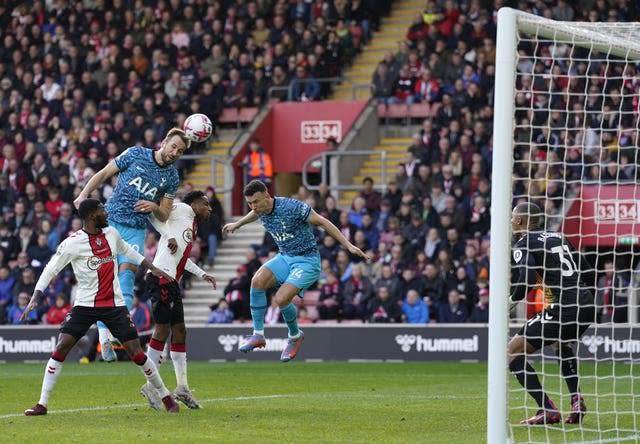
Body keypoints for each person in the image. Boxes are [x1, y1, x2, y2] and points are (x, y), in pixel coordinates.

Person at [21, 199, 180, 415]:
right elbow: (50, 269)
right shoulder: (72, 243)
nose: (105, 212)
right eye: (101, 209)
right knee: (61, 346)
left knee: (136, 352)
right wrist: (35, 296)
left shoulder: (112, 233)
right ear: (91, 215)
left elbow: (130, 252)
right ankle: (42, 404)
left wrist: (153, 267)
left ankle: (166, 397)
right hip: (85, 305)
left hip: (114, 305)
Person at [73, 127, 190, 362]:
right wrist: (84, 194)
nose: (175, 152)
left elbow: (165, 214)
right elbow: (105, 172)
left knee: (126, 279)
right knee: (104, 282)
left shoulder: (172, 177)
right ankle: (104, 336)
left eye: (180, 150)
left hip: (136, 230)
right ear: (165, 141)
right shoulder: (135, 154)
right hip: (110, 223)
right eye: (173, 146)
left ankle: (113, 335)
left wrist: (154, 206)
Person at [222, 180, 370, 362]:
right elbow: (254, 214)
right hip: (285, 256)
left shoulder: (292, 207)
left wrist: (348, 245)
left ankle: (295, 336)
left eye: (256, 202)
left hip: (307, 261)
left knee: (281, 298)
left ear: (267, 196)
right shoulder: (259, 209)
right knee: (256, 282)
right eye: (250, 203)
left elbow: (323, 222)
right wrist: (237, 224)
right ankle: (258, 335)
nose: (253, 206)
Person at [508, 202, 595, 425]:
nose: (510, 221)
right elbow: (586, 268)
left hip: (564, 307)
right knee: (561, 344)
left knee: (510, 353)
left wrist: (509, 303)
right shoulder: (559, 237)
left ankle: (547, 409)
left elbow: (526, 280)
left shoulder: (523, 243)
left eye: (512, 217)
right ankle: (577, 400)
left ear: (519, 221)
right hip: (585, 304)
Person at [144, 190, 217, 410]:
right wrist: (169, 235)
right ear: (194, 204)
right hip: (160, 276)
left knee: (180, 331)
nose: (210, 208)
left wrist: (202, 274)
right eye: (206, 204)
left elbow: (181, 260)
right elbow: (154, 213)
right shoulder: (182, 209)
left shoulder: (192, 224)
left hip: (172, 280)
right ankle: (150, 385)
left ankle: (182, 387)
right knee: (162, 329)